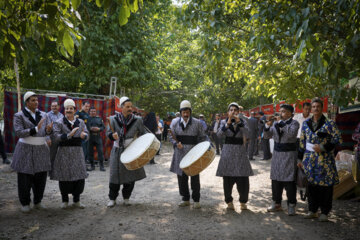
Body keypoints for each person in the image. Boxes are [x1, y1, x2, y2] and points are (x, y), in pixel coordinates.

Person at [299, 98, 342, 222]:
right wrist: (299, 158)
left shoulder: (330, 123)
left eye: (318, 106)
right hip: (309, 160)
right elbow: (302, 142)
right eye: (313, 106)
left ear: (322, 108)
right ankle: (312, 210)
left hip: (325, 161)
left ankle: (324, 212)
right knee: (311, 185)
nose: (315, 108)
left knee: (325, 186)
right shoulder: (306, 124)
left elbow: (338, 139)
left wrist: (323, 147)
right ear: (311, 108)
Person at [11, 91, 53, 213]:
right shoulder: (19, 116)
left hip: (41, 148)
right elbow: (19, 132)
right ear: (27, 102)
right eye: (33, 100)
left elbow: (46, 132)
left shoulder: (44, 114)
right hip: (26, 149)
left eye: (37, 100)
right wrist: (35, 129)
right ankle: (25, 203)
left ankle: (38, 201)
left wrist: (48, 131)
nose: (36, 103)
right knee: (25, 176)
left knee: (41, 176)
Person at [106, 97, 147, 207]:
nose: (130, 108)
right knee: (115, 174)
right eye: (127, 106)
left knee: (130, 174)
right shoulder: (112, 119)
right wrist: (112, 135)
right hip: (117, 150)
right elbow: (108, 133)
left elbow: (143, 133)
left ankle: (126, 197)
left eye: (131, 106)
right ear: (121, 107)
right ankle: (112, 198)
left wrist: (141, 144)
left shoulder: (137, 120)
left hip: (131, 150)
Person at [169, 100, 208, 209]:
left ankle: (196, 200)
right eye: (183, 112)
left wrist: (201, 149)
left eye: (187, 112)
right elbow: (171, 136)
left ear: (190, 112)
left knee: (195, 176)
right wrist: (176, 144)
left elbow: (202, 137)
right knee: (181, 177)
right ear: (180, 112)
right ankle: (185, 199)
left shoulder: (197, 123)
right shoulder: (174, 122)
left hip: (193, 154)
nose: (186, 114)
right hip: (180, 153)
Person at [51, 99, 88, 209]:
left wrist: (84, 136)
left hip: (77, 152)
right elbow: (56, 137)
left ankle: (76, 200)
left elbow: (86, 133)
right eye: (67, 109)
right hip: (64, 152)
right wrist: (68, 135)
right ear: (64, 110)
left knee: (79, 175)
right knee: (64, 176)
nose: (69, 110)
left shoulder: (80, 122)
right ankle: (65, 200)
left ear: (75, 110)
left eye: (71, 108)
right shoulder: (59, 122)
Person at [216, 102, 254, 210]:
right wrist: (227, 124)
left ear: (238, 112)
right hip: (227, 152)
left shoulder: (243, 121)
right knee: (227, 178)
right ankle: (229, 201)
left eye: (235, 110)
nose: (233, 112)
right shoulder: (223, 122)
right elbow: (218, 134)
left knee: (243, 178)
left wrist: (240, 124)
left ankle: (243, 201)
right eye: (231, 110)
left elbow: (248, 134)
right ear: (228, 112)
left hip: (240, 153)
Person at [264, 104, 299, 216]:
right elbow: (266, 136)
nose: (280, 113)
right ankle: (276, 203)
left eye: (283, 111)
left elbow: (290, 135)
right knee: (275, 179)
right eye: (280, 111)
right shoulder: (276, 123)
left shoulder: (294, 123)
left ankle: (291, 205)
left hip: (289, 154)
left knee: (289, 180)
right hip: (277, 154)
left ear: (290, 113)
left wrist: (281, 123)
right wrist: (267, 126)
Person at [86, 106, 106, 171]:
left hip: (98, 137)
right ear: (89, 112)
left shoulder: (99, 119)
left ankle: (102, 166)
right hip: (90, 137)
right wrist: (90, 128)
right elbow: (85, 127)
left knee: (100, 152)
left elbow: (103, 127)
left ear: (96, 112)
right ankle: (92, 166)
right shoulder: (87, 119)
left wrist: (99, 129)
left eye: (94, 111)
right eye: (91, 111)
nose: (93, 112)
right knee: (90, 152)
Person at [47, 101, 64, 169]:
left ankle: (57, 169)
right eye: (52, 106)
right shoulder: (47, 115)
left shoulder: (62, 115)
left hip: (60, 137)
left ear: (59, 107)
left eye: (55, 106)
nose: (54, 107)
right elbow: (46, 128)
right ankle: (49, 170)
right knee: (51, 155)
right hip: (52, 138)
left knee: (59, 154)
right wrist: (48, 138)